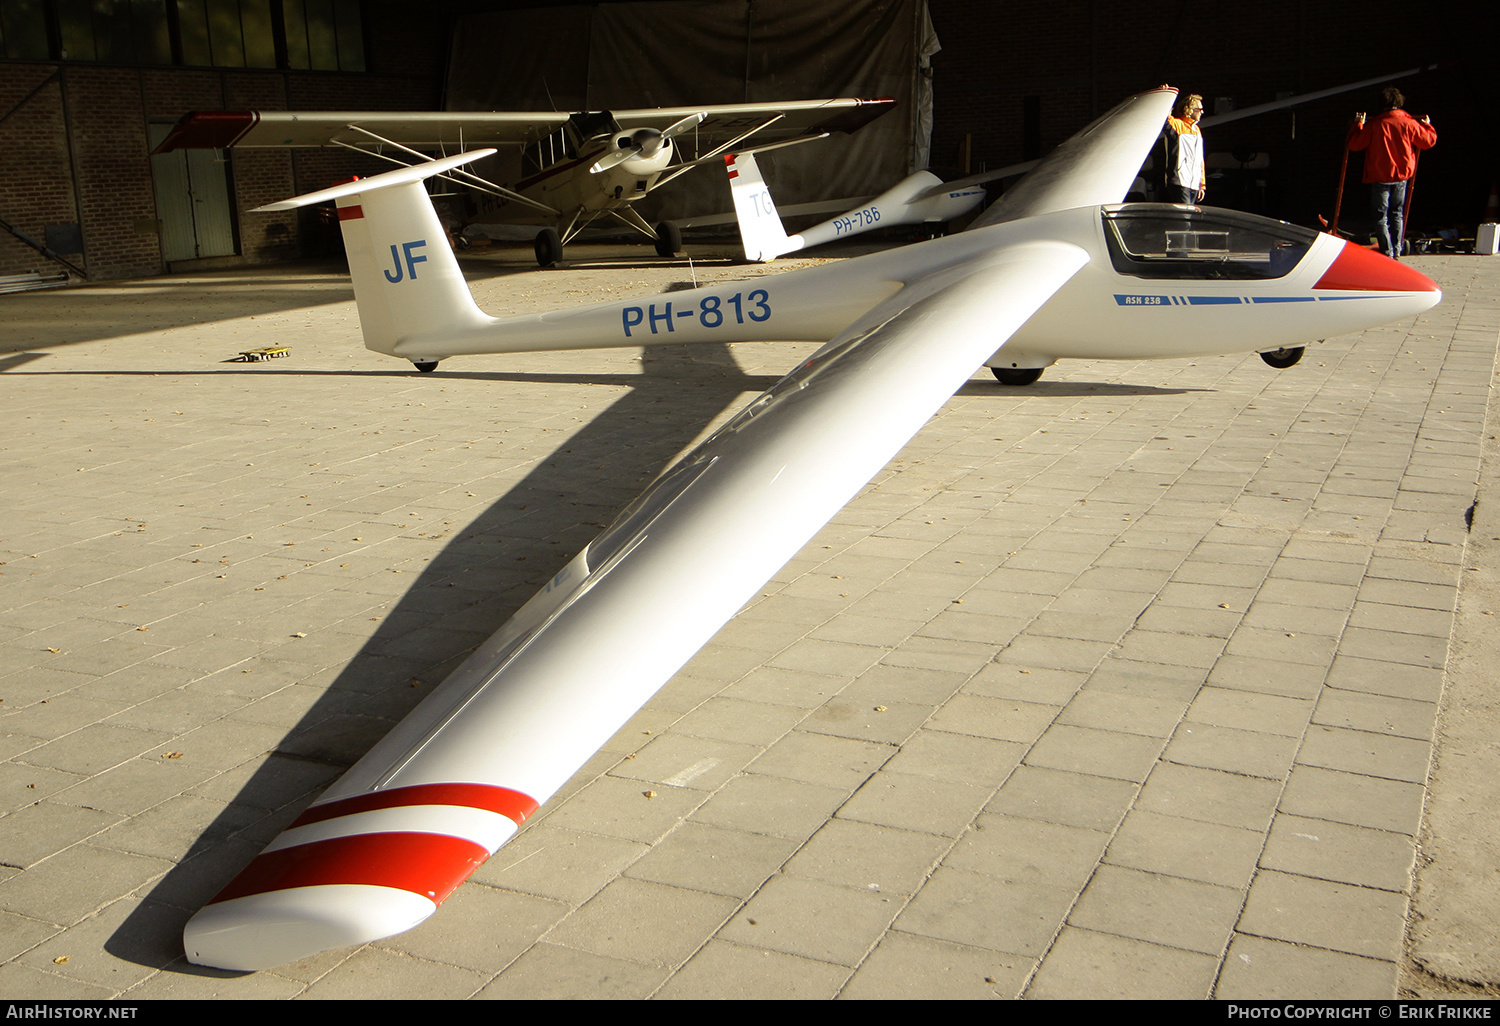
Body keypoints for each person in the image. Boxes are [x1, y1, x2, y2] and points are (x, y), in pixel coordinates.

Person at [1348, 87, 1436, 258]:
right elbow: (1427, 141)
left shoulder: (1375, 125)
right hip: (1402, 175)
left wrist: (1358, 124)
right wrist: (1428, 125)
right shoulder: (1409, 123)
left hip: (1380, 176)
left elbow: (1354, 144)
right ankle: (1396, 250)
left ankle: (1387, 251)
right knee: (1397, 213)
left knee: (1381, 217)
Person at [1161, 94, 1206, 205]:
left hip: (1194, 183)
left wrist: (1202, 184)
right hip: (1180, 181)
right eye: (1199, 109)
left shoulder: (1196, 130)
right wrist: (1164, 94)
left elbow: (1200, 159)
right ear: (1189, 110)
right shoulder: (1177, 124)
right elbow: (1163, 117)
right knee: (1184, 218)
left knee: (1188, 217)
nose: (1202, 112)